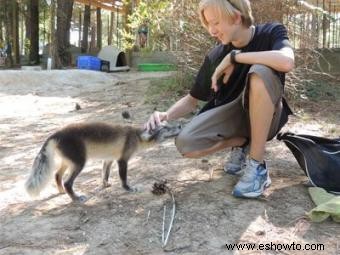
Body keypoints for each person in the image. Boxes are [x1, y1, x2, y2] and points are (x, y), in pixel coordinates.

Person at [144, 0, 294, 198]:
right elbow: (192, 100)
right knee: (186, 142)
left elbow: (287, 61)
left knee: (259, 72)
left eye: (215, 23)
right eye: (208, 24)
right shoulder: (215, 56)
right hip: (233, 118)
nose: (211, 31)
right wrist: (166, 114)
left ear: (236, 17)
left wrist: (235, 58)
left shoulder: (271, 31)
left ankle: (257, 166)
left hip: (269, 117)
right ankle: (242, 143)